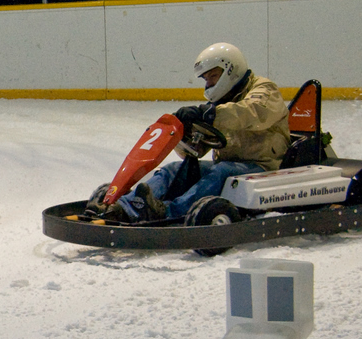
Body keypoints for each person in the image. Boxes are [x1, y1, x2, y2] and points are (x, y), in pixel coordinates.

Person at [92, 42, 289, 222]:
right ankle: (125, 207)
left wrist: (207, 114)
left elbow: (251, 113)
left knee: (220, 171)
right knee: (174, 168)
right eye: (206, 78)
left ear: (231, 70)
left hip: (263, 166)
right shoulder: (222, 101)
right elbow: (195, 152)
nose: (209, 83)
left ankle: (168, 212)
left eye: (213, 76)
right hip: (231, 165)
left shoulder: (264, 89)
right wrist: (184, 134)